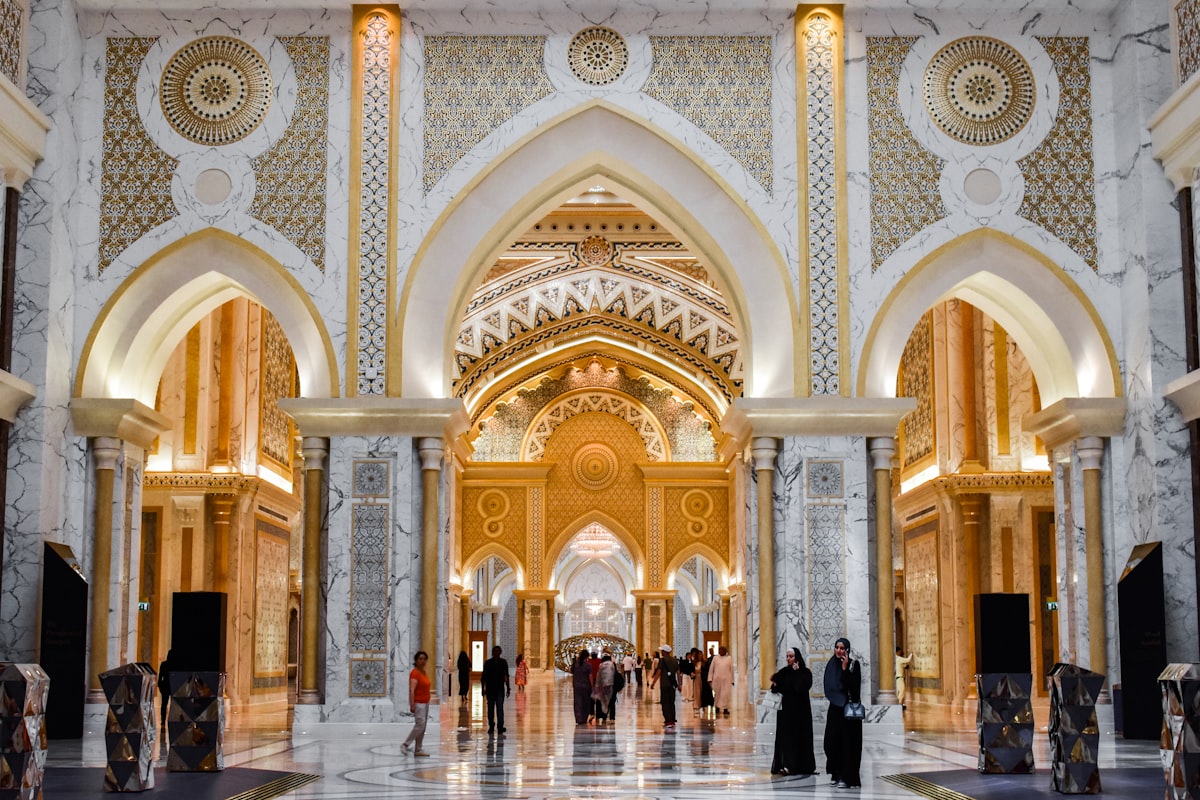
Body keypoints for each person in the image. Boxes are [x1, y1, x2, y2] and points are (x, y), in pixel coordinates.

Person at [769, 647, 816, 776]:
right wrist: (774, 684)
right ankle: (785, 765)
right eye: (787, 656)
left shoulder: (805, 673)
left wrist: (797, 673)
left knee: (799, 739)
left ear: (797, 658)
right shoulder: (784, 672)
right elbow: (775, 689)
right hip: (785, 712)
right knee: (785, 739)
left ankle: (798, 766)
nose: (789, 659)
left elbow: (801, 688)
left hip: (800, 713)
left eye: (791, 656)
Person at [823, 637, 863, 789]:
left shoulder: (854, 665)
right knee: (831, 742)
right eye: (837, 648)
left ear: (847, 650)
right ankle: (836, 772)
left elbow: (854, 688)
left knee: (847, 745)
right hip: (835, 708)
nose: (839, 651)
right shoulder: (831, 665)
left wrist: (845, 670)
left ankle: (848, 777)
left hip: (848, 710)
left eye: (842, 648)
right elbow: (829, 685)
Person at [401, 650, 432, 757]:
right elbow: (412, 690)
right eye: (420, 659)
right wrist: (412, 704)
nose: (422, 661)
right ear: (416, 660)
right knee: (419, 725)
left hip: (425, 702)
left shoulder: (424, 673)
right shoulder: (415, 673)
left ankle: (418, 749)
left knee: (423, 727)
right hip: (419, 703)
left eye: (424, 659)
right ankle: (405, 744)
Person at [481, 645, 510, 734]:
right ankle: (491, 726)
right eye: (495, 651)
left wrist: (508, 688)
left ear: (500, 652)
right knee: (490, 709)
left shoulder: (503, 662)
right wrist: (483, 689)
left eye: (498, 651)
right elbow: (483, 677)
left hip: (500, 689)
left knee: (500, 708)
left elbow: (506, 676)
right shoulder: (488, 663)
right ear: (493, 653)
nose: (497, 653)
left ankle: (500, 726)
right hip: (490, 689)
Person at [650, 645, 679, 731]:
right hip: (672, 685)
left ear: (665, 652)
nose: (661, 652)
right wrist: (680, 684)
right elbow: (678, 672)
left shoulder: (662, 661)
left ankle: (668, 721)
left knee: (665, 703)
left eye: (662, 650)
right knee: (671, 702)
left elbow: (659, 672)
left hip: (665, 684)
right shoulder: (674, 660)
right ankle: (672, 720)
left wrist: (653, 683)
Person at [709, 645, 734, 715]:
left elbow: (731, 670)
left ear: (725, 651)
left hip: (726, 680)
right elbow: (711, 668)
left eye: (722, 650)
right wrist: (710, 678)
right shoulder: (715, 658)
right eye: (720, 650)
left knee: (725, 694)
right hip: (717, 679)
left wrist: (732, 680)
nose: (721, 651)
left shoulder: (729, 658)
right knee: (717, 694)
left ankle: (725, 708)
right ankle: (717, 707)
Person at [571, 649, 592, 725]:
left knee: (577, 702)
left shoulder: (575, 664)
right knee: (586, 702)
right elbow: (590, 677)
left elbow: (572, 672)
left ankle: (578, 718)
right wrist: (592, 686)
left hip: (576, 685)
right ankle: (584, 718)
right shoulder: (588, 665)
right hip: (586, 686)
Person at [156, 649, 175, 730]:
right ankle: (172, 720)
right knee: (173, 705)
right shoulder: (174, 665)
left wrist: (160, 686)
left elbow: (160, 677)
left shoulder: (164, 664)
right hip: (173, 686)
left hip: (165, 686)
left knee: (164, 704)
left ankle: (163, 722)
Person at [595, 651, 616, 723]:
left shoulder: (601, 665)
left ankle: (603, 717)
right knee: (611, 702)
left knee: (603, 701)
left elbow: (599, 675)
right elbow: (614, 674)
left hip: (603, 685)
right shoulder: (612, 665)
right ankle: (612, 717)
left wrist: (597, 685)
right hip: (611, 685)